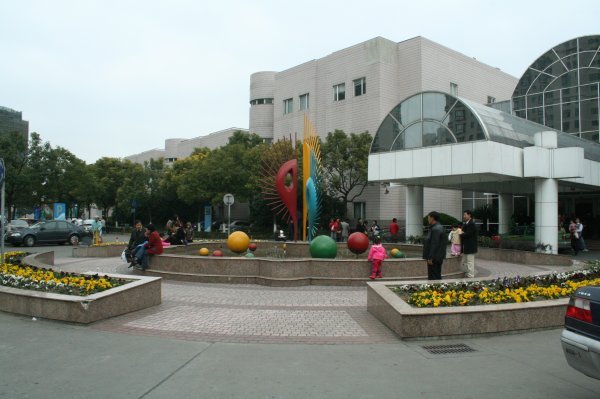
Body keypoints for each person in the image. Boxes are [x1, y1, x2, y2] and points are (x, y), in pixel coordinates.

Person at [423, 211, 446, 280]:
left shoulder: (436, 229)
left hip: (434, 258)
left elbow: (434, 244)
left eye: (428, 218)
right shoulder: (438, 227)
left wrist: (430, 257)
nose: (428, 219)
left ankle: (435, 290)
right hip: (437, 257)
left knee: (433, 277)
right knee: (436, 275)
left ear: (432, 218)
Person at [460, 210, 478, 278]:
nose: (463, 216)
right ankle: (468, 274)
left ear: (469, 215)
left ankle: (470, 276)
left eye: (465, 215)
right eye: (463, 215)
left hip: (470, 246)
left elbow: (468, 234)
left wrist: (461, 233)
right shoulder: (466, 223)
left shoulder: (471, 224)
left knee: (470, 262)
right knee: (465, 261)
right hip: (466, 246)